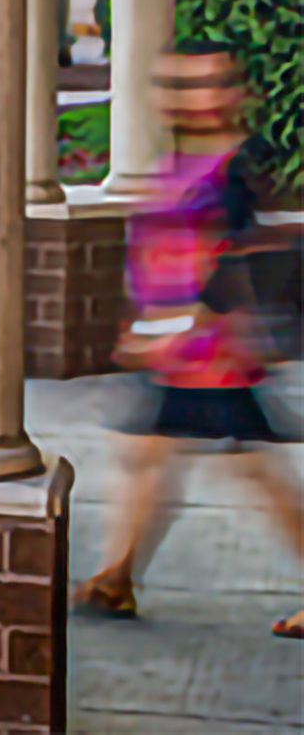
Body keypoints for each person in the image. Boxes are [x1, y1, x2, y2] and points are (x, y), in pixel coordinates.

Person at [73, 43, 304, 638]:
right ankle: (116, 579)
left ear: (232, 93)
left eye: (205, 84)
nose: (189, 97)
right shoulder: (179, 162)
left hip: (211, 355)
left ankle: (116, 579)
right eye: (178, 84)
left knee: (255, 470)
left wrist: (175, 331)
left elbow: (230, 265)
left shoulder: (231, 171)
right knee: (148, 456)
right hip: (180, 351)